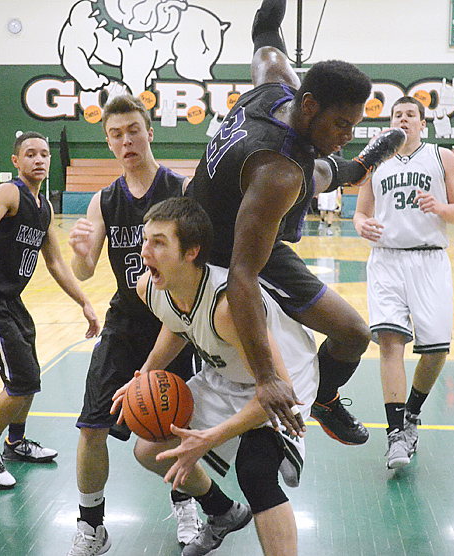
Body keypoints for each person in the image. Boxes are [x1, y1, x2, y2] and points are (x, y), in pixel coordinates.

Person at [188, 0, 405, 442]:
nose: (345, 133)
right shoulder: (279, 173)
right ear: (308, 106)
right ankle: (360, 167)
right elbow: (242, 274)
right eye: (341, 125)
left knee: (353, 333)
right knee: (321, 172)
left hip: (245, 224)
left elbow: (266, 27)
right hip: (209, 249)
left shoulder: (275, 83)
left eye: (354, 126)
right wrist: (268, 378)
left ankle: (323, 398)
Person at [112, 196, 319, 556]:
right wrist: (143, 375)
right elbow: (176, 325)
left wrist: (208, 438)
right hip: (226, 374)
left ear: (191, 252)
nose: (146, 251)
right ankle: (221, 512)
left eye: (159, 242)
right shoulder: (150, 286)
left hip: (286, 379)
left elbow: (278, 390)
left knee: (255, 473)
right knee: (148, 449)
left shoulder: (228, 307)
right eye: (146, 240)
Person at [66, 94, 200, 555]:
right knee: (91, 426)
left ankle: (185, 503)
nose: (126, 141)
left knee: (173, 425)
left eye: (133, 131)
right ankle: (91, 526)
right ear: (108, 143)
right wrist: (82, 253)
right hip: (124, 323)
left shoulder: (181, 191)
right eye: (116, 134)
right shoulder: (104, 201)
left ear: (149, 132)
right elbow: (85, 272)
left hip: (178, 323)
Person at [0, 131, 99, 489]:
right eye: (31, 154)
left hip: (9, 300)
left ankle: (15, 440)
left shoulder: (45, 208)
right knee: (20, 381)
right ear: (16, 161)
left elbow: (55, 262)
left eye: (44, 154)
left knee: (31, 374)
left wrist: (84, 301)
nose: (39, 159)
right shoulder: (10, 193)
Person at [353, 96, 454, 469]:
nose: (404, 119)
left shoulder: (441, 157)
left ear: (422, 123)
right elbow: (359, 212)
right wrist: (360, 224)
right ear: (390, 123)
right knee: (390, 343)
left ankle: (411, 415)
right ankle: (394, 435)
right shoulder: (376, 160)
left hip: (430, 260)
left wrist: (440, 208)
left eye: (410, 115)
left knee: (436, 351)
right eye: (397, 115)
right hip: (387, 260)